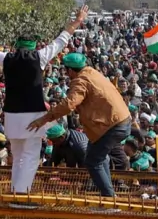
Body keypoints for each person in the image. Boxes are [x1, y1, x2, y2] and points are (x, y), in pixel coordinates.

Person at [0, 5, 88, 198]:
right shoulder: (40, 56)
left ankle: (16, 192)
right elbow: (62, 39)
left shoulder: (6, 58)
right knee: (30, 157)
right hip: (33, 115)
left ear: (17, 45)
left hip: (12, 117)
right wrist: (78, 20)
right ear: (35, 46)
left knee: (18, 157)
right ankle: (21, 195)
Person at [27, 53, 131, 197]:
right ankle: (108, 194)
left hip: (111, 125)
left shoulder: (81, 80)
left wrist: (44, 119)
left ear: (70, 70)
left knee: (93, 161)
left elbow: (69, 104)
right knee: (98, 158)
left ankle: (110, 198)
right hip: (116, 122)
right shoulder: (92, 72)